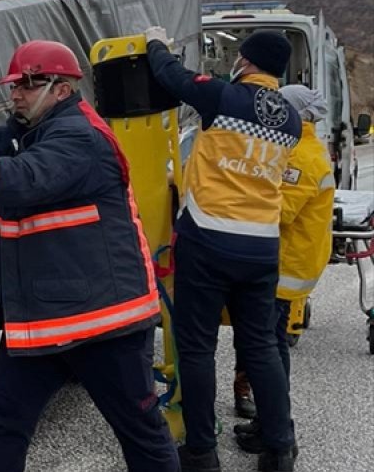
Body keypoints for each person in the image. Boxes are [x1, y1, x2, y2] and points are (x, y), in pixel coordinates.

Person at [0, 39, 177, 472]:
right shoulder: (26, 131)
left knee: (140, 432)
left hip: (103, 322)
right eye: (14, 86)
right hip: (47, 317)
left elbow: (21, 179)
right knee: (5, 426)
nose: (15, 95)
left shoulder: (80, 137)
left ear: (61, 89)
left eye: (27, 85)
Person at [143, 27, 301, 472]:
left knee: (196, 349)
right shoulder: (290, 117)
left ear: (246, 62)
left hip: (210, 239)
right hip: (262, 246)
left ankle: (201, 452)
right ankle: (279, 449)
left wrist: (158, 44)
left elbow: (172, 77)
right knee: (261, 348)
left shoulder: (224, 97)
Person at [233, 85, 335, 453]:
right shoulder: (296, 149)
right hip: (284, 263)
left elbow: (282, 212)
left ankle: (277, 431)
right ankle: (267, 422)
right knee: (268, 350)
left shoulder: (302, 158)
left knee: (269, 353)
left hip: (285, 267)